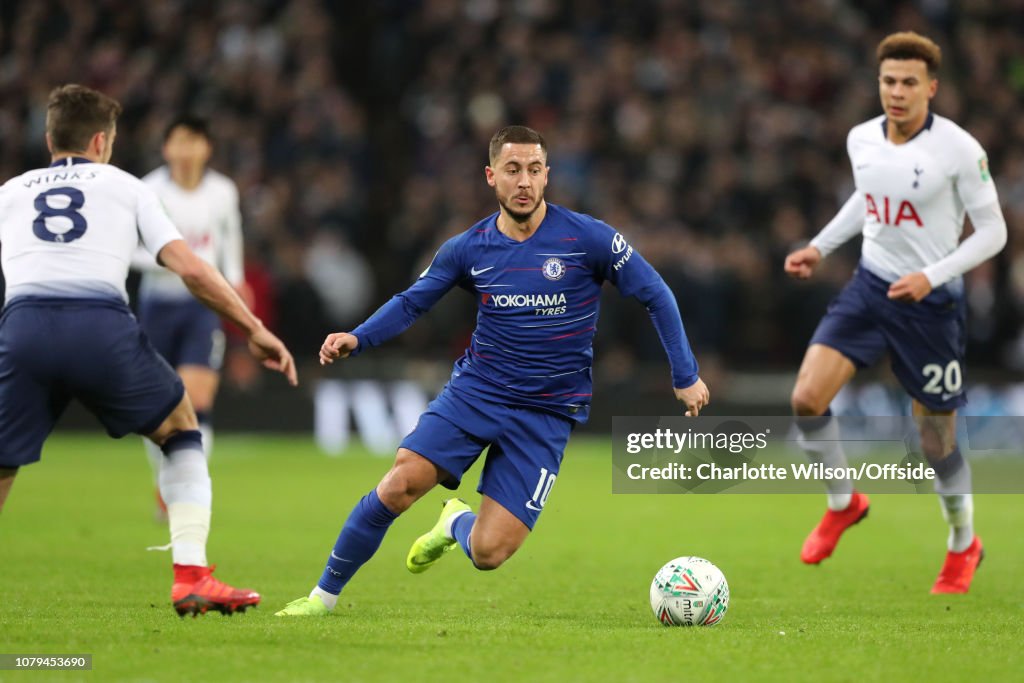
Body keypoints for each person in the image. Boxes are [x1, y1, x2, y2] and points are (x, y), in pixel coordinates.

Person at [275, 125, 709, 616]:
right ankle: (321, 599)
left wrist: (684, 374)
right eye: (512, 170)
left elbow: (657, 294)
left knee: (489, 553)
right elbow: (412, 303)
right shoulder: (467, 248)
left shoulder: (588, 239)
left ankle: (454, 523)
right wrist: (359, 336)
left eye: (534, 170)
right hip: (476, 393)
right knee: (400, 483)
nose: (524, 181)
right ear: (491, 177)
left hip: (547, 411)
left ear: (547, 176)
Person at [0, 84, 299, 616]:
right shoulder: (128, 187)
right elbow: (190, 267)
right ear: (101, 140)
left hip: (23, 329)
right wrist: (252, 327)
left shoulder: (11, 191)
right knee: (183, 427)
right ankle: (191, 577)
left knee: (1, 464)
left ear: (49, 138)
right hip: (100, 326)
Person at [783, 32, 1006, 594]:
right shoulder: (863, 138)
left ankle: (963, 542)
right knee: (807, 398)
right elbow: (867, 196)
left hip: (931, 305)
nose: (897, 92)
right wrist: (819, 246)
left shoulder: (959, 149)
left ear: (931, 87)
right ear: (877, 83)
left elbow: (995, 232)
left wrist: (932, 275)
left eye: (909, 82)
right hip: (869, 287)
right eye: (888, 81)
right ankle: (844, 503)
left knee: (936, 442)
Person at [133, 115, 246, 521]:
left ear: (206, 148)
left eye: (194, 142)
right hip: (157, 306)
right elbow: (131, 250)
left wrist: (235, 282)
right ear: (166, 148)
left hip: (203, 305)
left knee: (198, 401)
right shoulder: (146, 190)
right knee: (161, 405)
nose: (186, 150)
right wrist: (174, 264)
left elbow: (229, 239)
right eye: (178, 142)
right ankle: (166, 483)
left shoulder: (222, 191)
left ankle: (191, 488)